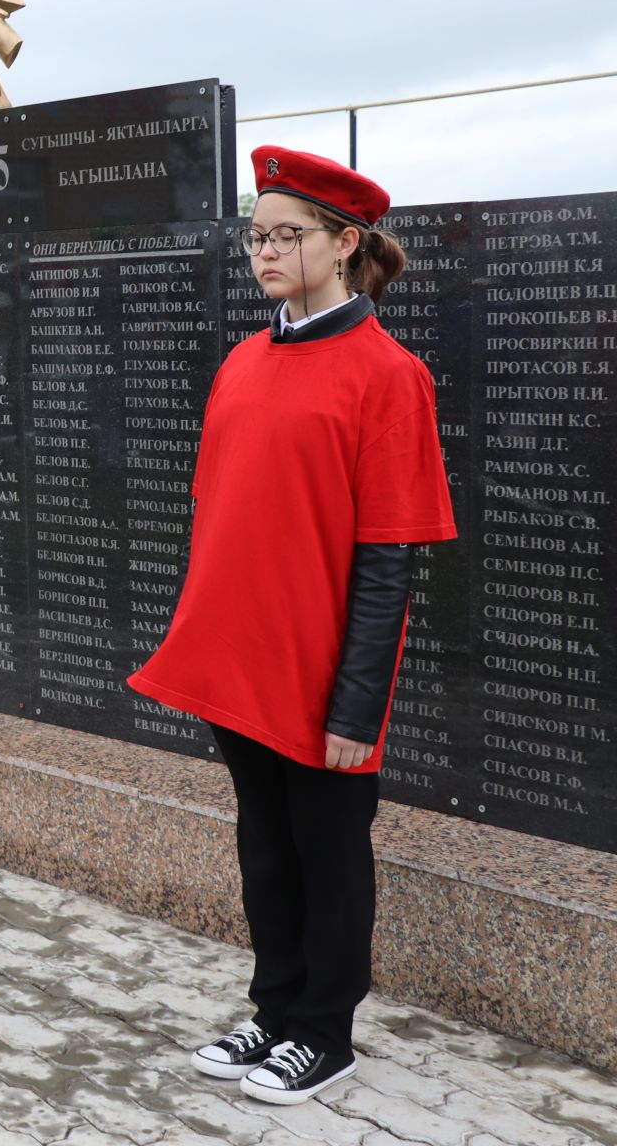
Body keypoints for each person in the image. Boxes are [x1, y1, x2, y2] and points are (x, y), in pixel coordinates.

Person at [128, 147, 457, 1104]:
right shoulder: (241, 361)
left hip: (321, 679)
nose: (264, 252)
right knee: (264, 845)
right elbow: (223, 517)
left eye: (286, 235)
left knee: (329, 850)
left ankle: (325, 1031)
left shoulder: (389, 376)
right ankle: (273, 1012)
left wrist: (358, 705)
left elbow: (389, 553)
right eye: (255, 235)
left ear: (346, 243)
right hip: (237, 664)